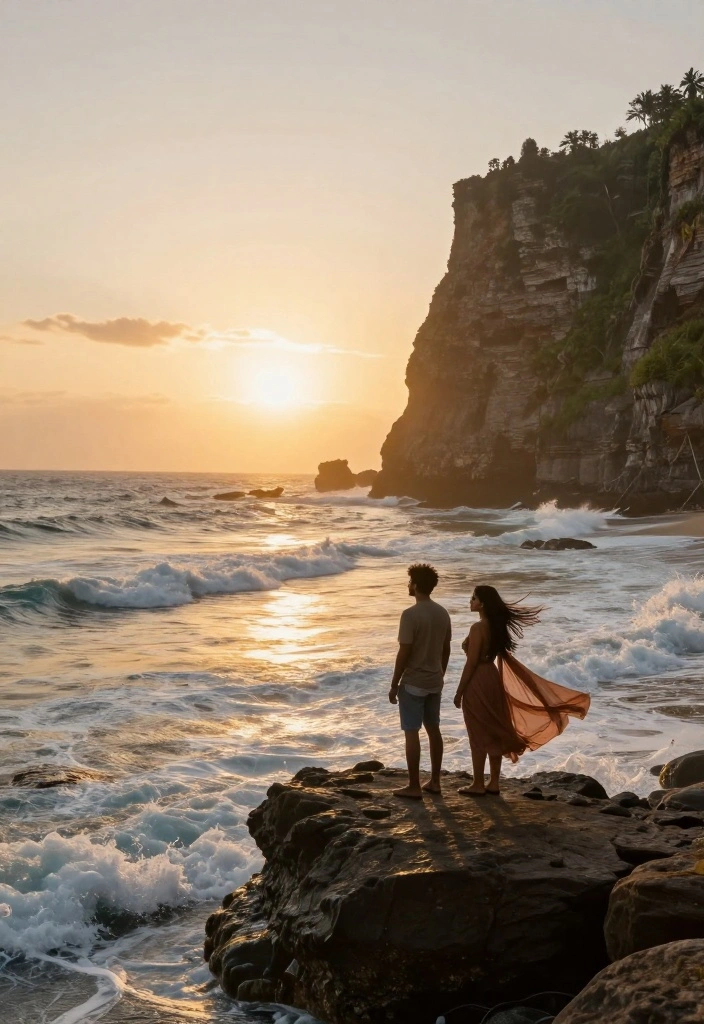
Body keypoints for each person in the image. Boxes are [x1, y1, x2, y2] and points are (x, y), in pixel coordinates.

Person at [453, 585, 590, 796]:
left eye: (473, 598)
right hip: (492, 678)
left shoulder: (478, 628)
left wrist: (459, 691)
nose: (470, 601)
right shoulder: (496, 627)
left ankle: (478, 783)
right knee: (494, 731)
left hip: (478, 680)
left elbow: (471, 663)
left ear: (483, 604)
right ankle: (494, 783)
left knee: (478, 733)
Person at [389, 563, 452, 799]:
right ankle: (435, 782)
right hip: (435, 680)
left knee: (411, 731)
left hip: (413, 681)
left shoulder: (410, 615)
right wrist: (440, 674)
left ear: (415, 585)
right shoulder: (442, 613)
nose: (408, 585)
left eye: (409, 582)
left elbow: (404, 652)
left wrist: (394, 683)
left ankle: (414, 786)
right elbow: (446, 649)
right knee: (433, 729)